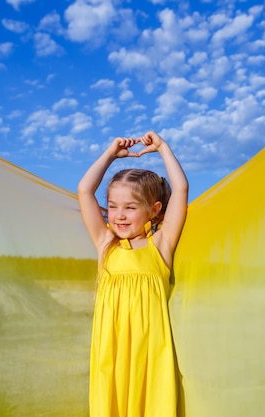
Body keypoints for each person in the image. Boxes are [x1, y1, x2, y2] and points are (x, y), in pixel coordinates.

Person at [78, 131, 188, 417]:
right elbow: (85, 191)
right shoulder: (106, 245)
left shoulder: (161, 246)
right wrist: (110, 154)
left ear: (153, 210)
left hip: (150, 353)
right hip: (111, 352)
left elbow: (181, 189)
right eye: (113, 207)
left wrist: (163, 148)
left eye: (130, 207)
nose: (119, 215)